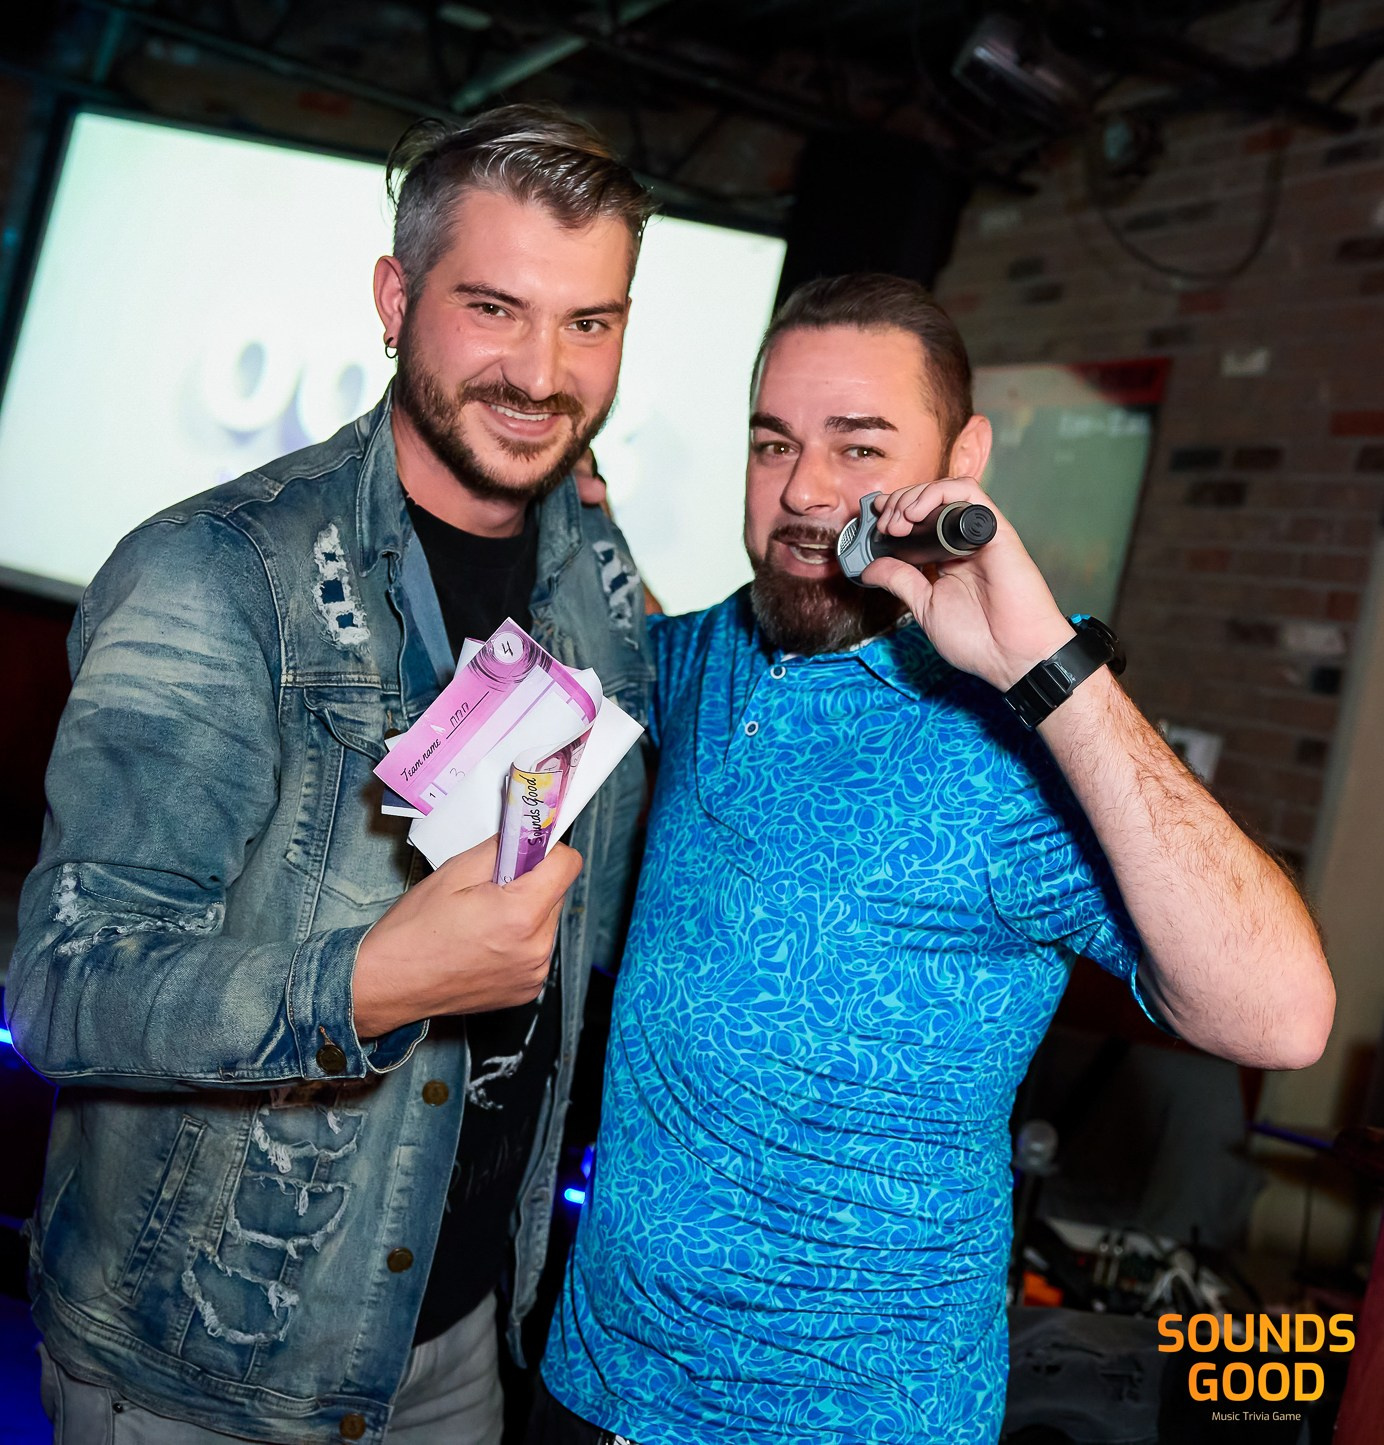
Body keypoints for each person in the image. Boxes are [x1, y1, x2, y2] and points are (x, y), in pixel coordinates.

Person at [530, 274, 1335, 1444]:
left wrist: (1047, 670)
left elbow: (1283, 1019)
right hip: (591, 1380)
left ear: (963, 459)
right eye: (773, 443)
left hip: (846, 1420)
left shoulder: (1013, 741)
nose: (804, 490)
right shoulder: (712, 653)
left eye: (859, 448)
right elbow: (621, 640)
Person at [7, 104, 656, 1444]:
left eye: (588, 322)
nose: (542, 373)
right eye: (494, 309)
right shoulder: (214, 573)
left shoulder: (594, 575)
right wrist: (373, 981)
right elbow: (65, 988)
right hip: (205, 1365)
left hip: (464, 1337)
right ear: (395, 299)